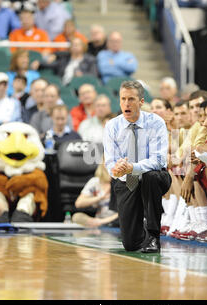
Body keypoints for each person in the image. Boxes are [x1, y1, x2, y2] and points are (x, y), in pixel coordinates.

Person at [103, 80, 171, 253]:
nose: (126, 103)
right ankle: (141, 230)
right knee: (131, 244)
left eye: (131, 99)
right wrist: (117, 169)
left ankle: (154, 235)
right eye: (123, 99)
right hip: (127, 179)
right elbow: (110, 161)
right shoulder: (112, 126)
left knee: (150, 176)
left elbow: (159, 160)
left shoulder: (156, 123)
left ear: (141, 102)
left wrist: (132, 167)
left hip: (156, 177)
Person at [73, 162, 118, 228]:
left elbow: (125, 212)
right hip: (97, 221)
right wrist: (100, 197)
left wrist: (101, 222)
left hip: (116, 221)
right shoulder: (95, 182)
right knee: (76, 217)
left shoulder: (121, 183)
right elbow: (79, 203)